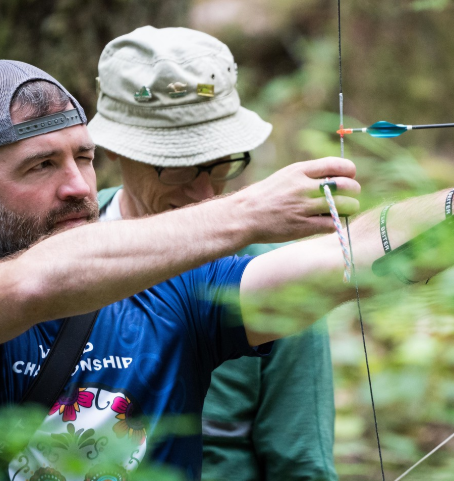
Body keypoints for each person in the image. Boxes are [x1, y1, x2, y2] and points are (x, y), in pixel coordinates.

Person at [0, 56, 454, 480]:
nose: (74, 185)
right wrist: (246, 214)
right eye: (41, 165)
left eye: (83, 158)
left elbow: (353, 259)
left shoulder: (176, 292)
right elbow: (34, 285)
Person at [89, 27, 337, 480]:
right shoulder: (62, 248)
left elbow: (301, 462)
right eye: (177, 167)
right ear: (112, 149)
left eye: (222, 162)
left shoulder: (272, 272)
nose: (205, 192)